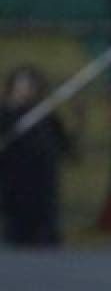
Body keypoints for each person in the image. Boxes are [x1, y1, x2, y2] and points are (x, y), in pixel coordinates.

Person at [0, 65, 72, 246]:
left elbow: (66, 148)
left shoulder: (46, 117)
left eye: (31, 86)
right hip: (13, 188)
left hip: (42, 190)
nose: (27, 91)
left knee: (46, 240)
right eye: (22, 86)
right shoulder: (4, 115)